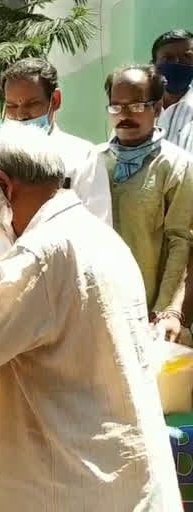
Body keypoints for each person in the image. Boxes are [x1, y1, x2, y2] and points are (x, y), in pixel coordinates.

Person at [0, 122, 181, 512]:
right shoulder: (95, 235)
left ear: (4, 187)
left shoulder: (42, 253)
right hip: (132, 478)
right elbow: (59, 307)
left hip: (74, 486)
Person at [82, 65, 193, 343]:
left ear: (157, 109)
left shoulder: (176, 165)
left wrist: (167, 310)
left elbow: (180, 242)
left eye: (135, 105)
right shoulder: (93, 161)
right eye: (116, 107)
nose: (125, 115)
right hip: (96, 310)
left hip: (149, 317)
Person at [0, 57, 111, 266]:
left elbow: (96, 231)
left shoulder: (83, 156)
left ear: (55, 100)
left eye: (32, 104)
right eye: (11, 106)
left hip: (54, 280)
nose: (21, 114)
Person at [155, 30, 193, 151]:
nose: (177, 63)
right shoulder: (136, 109)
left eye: (187, 57)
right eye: (168, 58)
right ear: (154, 65)